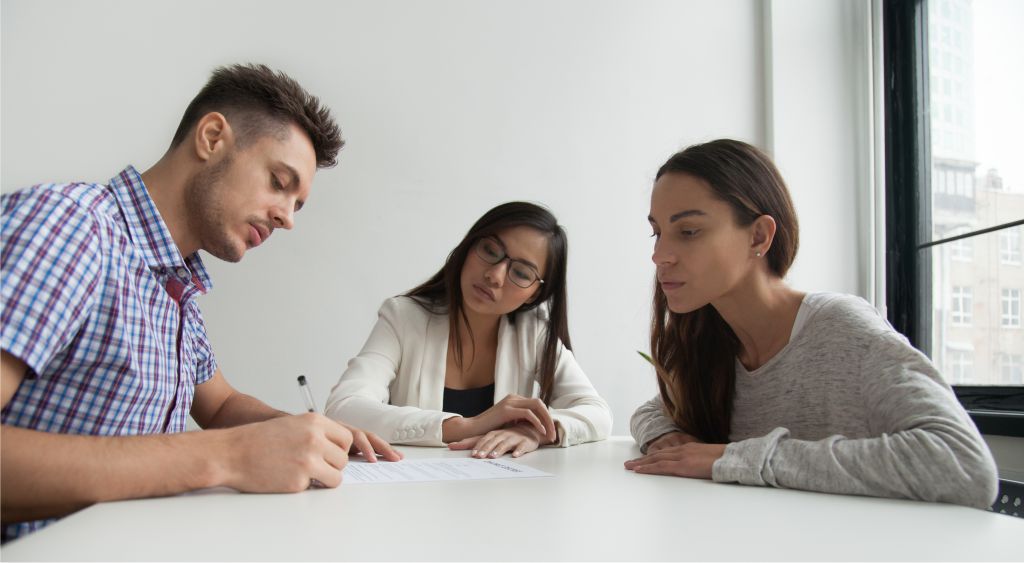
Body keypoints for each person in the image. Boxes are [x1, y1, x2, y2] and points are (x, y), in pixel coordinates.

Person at [0, 63, 400, 541]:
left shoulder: (177, 287)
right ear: (212, 137)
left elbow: (221, 404)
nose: (286, 218)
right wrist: (231, 456)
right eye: (279, 182)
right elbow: (226, 438)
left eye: (297, 205)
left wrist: (309, 434)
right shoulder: (72, 227)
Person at [624, 139, 998, 508]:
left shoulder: (841, 329)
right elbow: (652, 411)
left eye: (688, 231)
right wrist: (667, 437)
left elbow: (964, 465)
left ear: (759, 235)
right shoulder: (712, 341)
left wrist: (736, 459)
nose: (659, 255)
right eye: (657, 232)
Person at [325, 202, 611, 458]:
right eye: (490, 250)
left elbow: (598, 414)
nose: (495, 275)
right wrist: (467, 426)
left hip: (500, 498)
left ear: (536, 294)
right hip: (413, 495)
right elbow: (344, 408)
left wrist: (535, 431)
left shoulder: (532, 333)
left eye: (521, 273)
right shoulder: (403, 317)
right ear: (469, 246)